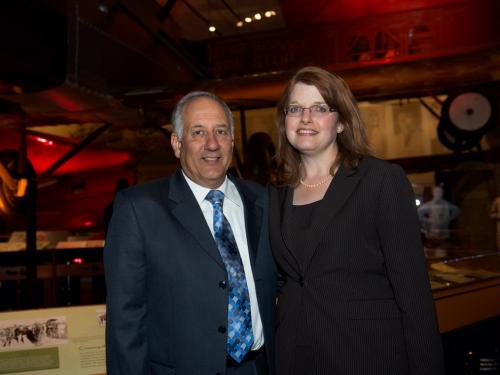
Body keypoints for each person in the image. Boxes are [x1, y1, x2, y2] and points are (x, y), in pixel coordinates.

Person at [269, 66, 445, 375]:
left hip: (365, 355)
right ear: (285, 122)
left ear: (341, 122)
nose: (305, 118)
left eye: (320, 108)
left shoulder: (380, 181)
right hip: (295, 357)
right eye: (295, 109)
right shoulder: (276, 194)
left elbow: (413, 291)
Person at [104, 91, 278, 375]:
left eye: (221, 132)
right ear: (177, 143)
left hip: (259, 367)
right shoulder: (139, 210)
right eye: (198, 132)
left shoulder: (264, 202)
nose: (212, 144)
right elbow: (125, 321)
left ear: (232, 142)